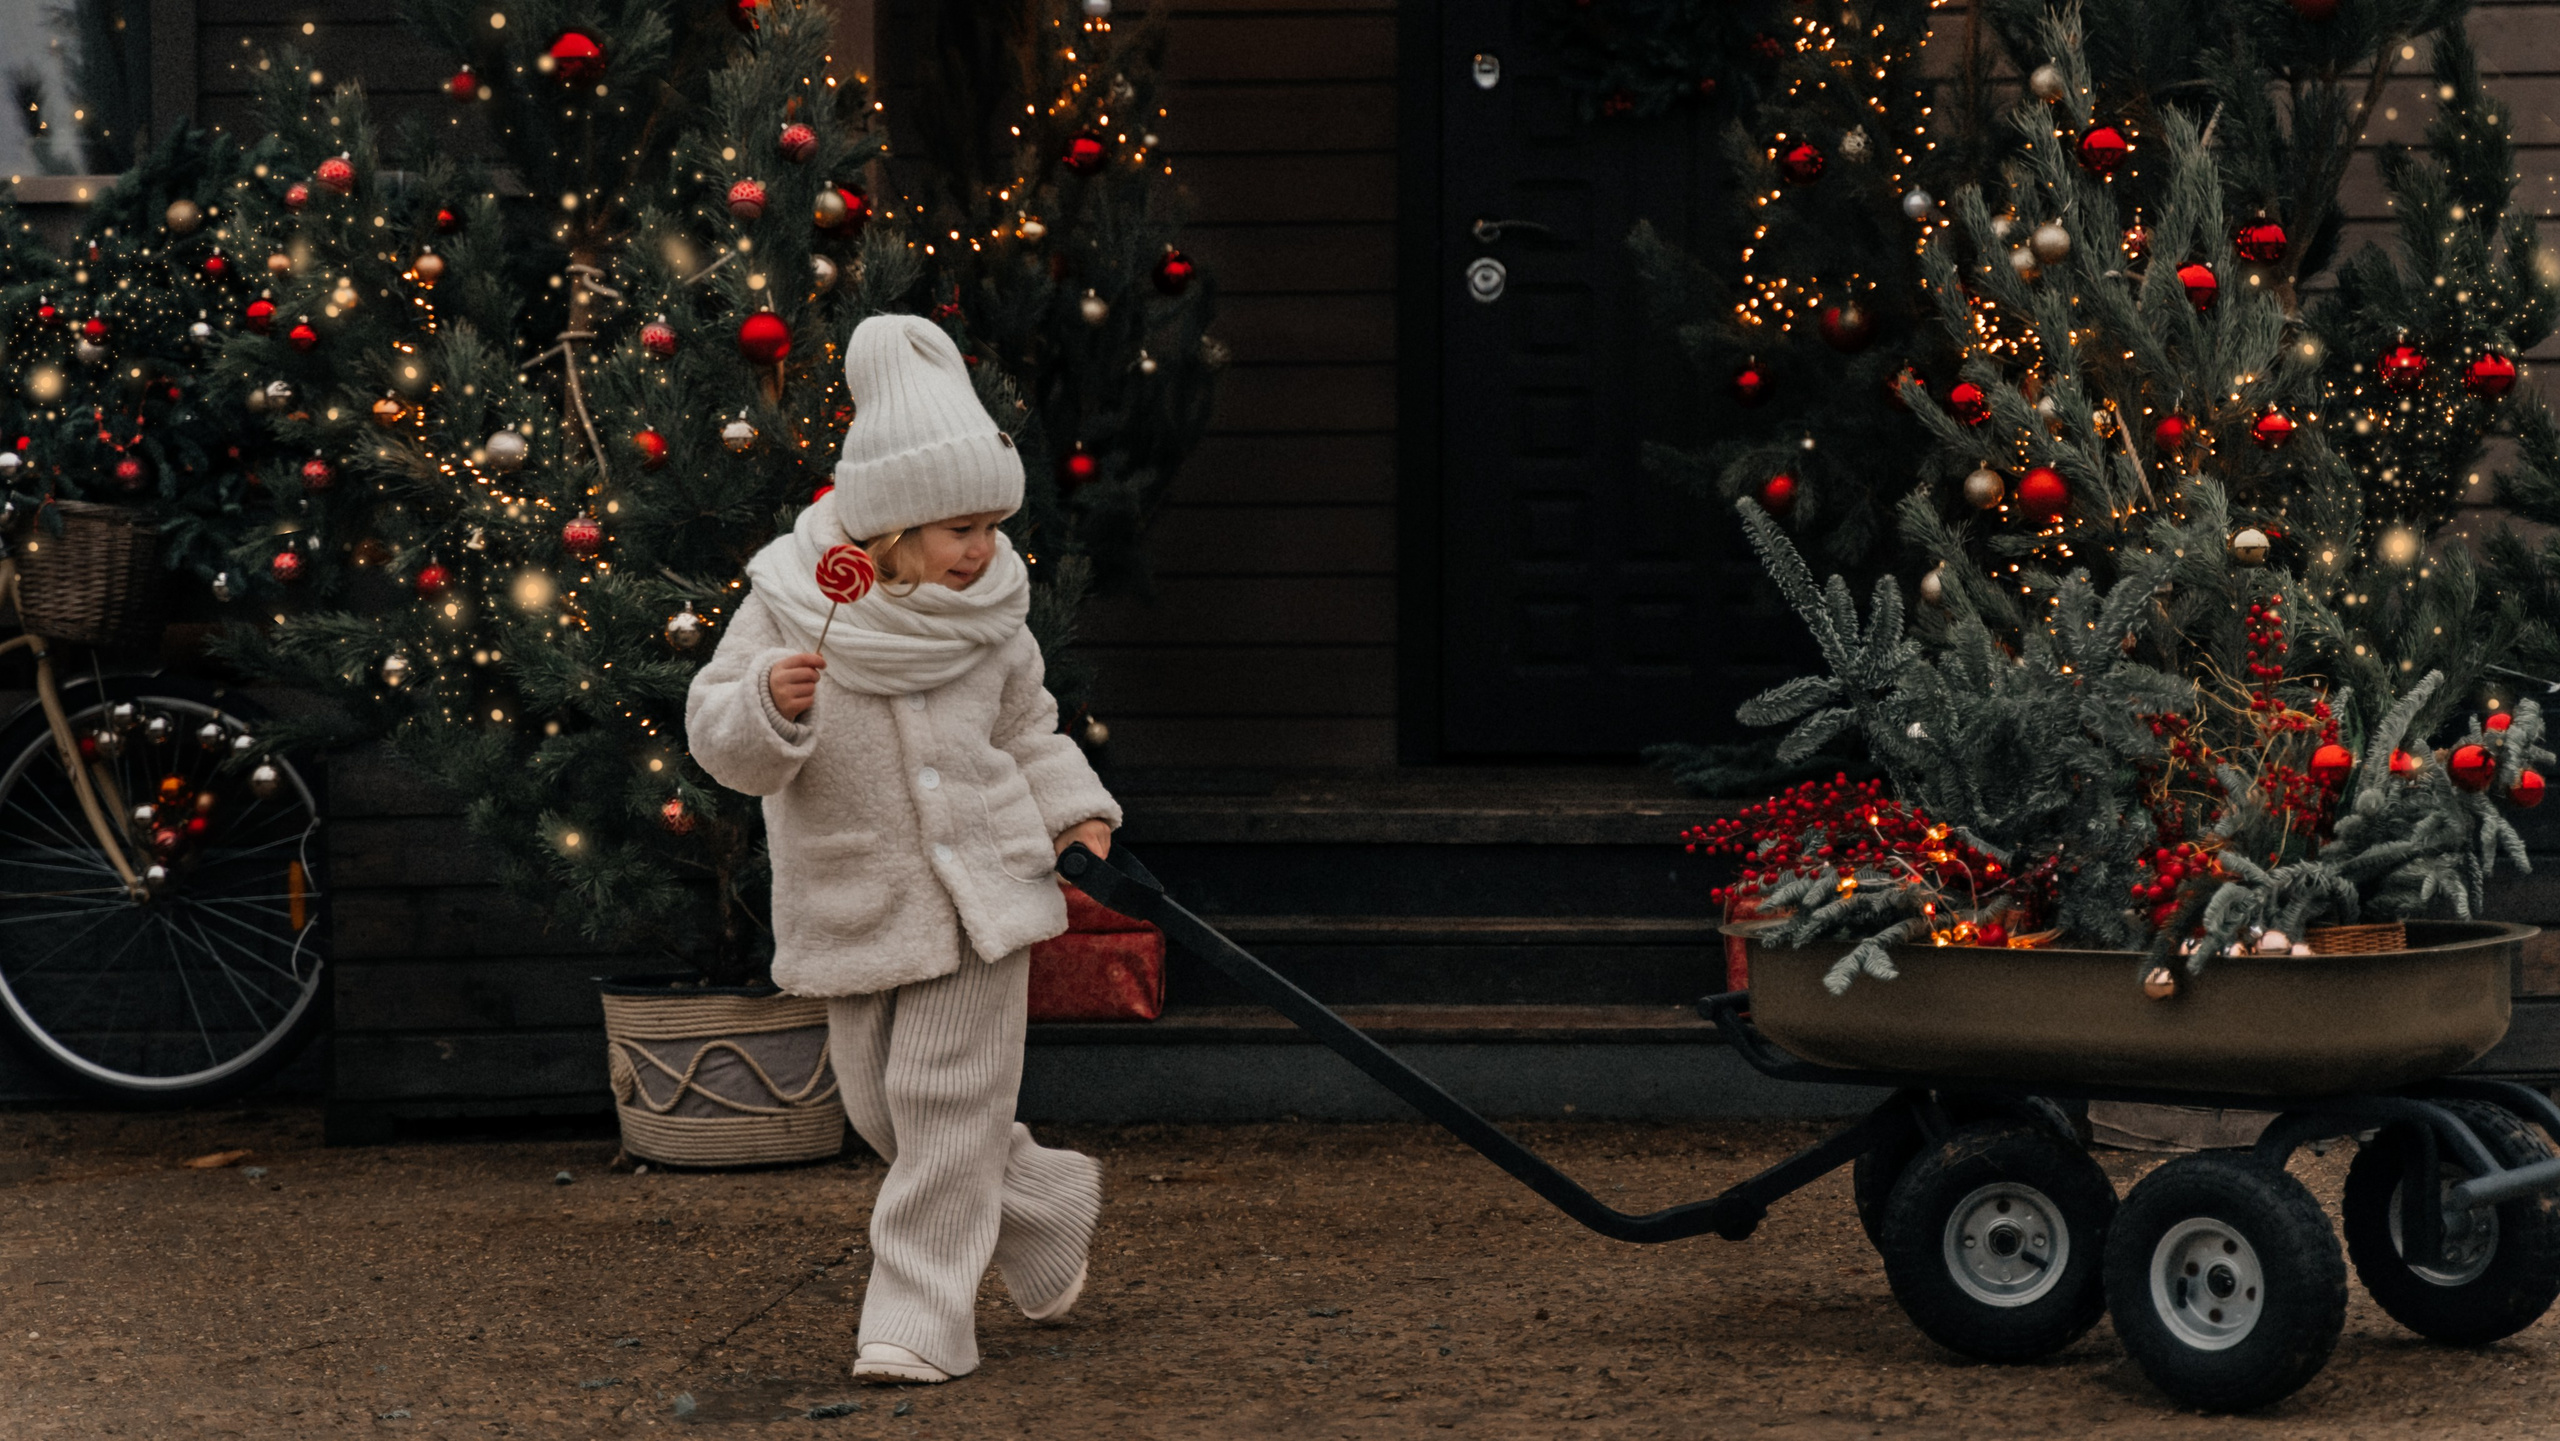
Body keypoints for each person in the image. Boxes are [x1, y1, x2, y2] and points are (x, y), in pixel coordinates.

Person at [686, 314, 1118, 1385]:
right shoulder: (790, 607)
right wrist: (768, 707)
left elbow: (1028, 731)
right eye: (957, 527)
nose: (981, 548)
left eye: (990, 523)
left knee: (940, 1104)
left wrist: (1076, 813)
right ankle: (1040, 1193)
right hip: (854, 896)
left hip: (983, 893)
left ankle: (918, 1318)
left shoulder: (996, 621)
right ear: (886, 527)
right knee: (885, 1107)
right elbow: (721, 740)